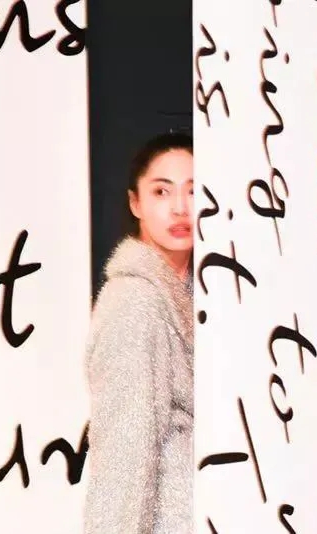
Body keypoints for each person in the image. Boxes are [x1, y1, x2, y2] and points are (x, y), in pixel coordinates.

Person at [84, 131, 194, 534]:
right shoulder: (134, 301)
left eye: (194, 191)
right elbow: (123, 455)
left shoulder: (201, 296)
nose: (180, 208)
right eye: (162, 192)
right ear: (136, 203)